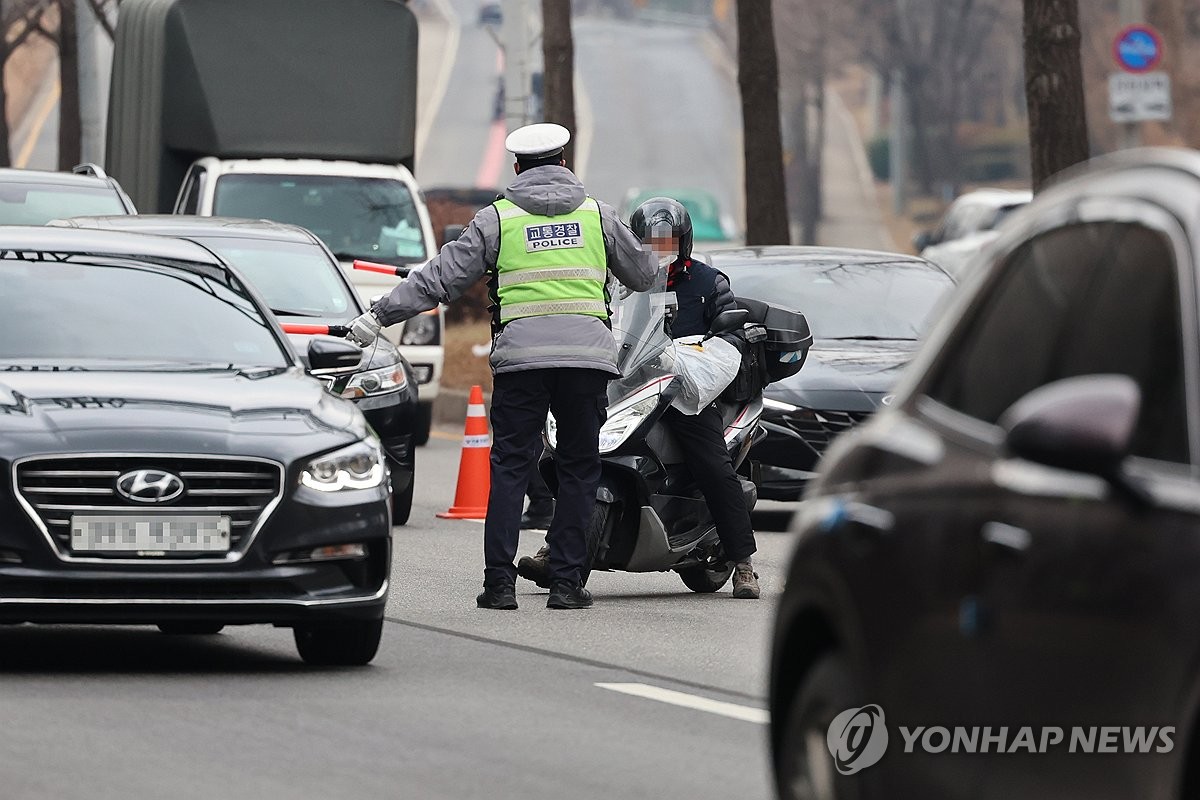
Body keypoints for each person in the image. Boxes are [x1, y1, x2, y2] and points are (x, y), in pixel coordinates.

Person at [346, 122, 656, 610]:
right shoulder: (598, 216)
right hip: (586, 363)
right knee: (579, 469)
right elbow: (644, 273)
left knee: (511, 467)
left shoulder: (497, 219)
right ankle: (566, 586)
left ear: (516, 167)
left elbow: (439, 279)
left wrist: (378, 316)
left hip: (521, 364)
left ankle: (499, 586)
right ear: (564, 163)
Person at [517, 197, 761, 599]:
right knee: (573, 450)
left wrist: (703, 350)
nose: (659, 250)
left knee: (713, 466)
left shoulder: (708, 282)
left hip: (687, 393)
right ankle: (554, 547)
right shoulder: (620, 279)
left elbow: (730, 332)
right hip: (628, 384)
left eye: (667, 242)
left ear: (683, 242)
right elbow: (603, 319)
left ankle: (743, 563)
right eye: (650, 242)